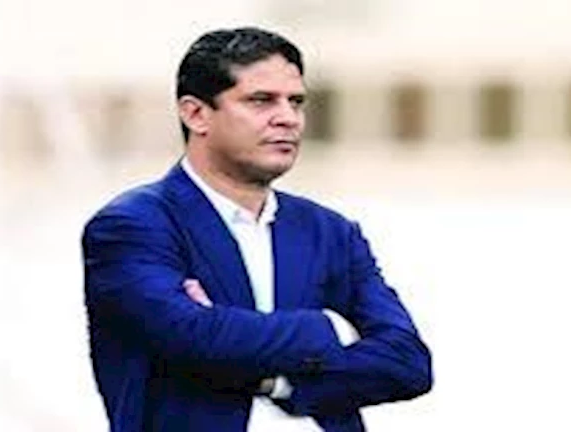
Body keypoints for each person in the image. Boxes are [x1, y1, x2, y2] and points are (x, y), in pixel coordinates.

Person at [82, 27, 432, 432]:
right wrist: (329, 327)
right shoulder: (133, 226)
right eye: (261, 100)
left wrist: (279, 382)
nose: (287, 118)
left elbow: (407, 362)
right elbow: (190, 335)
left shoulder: (330, 232)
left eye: (296, 102)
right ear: (196, 114)